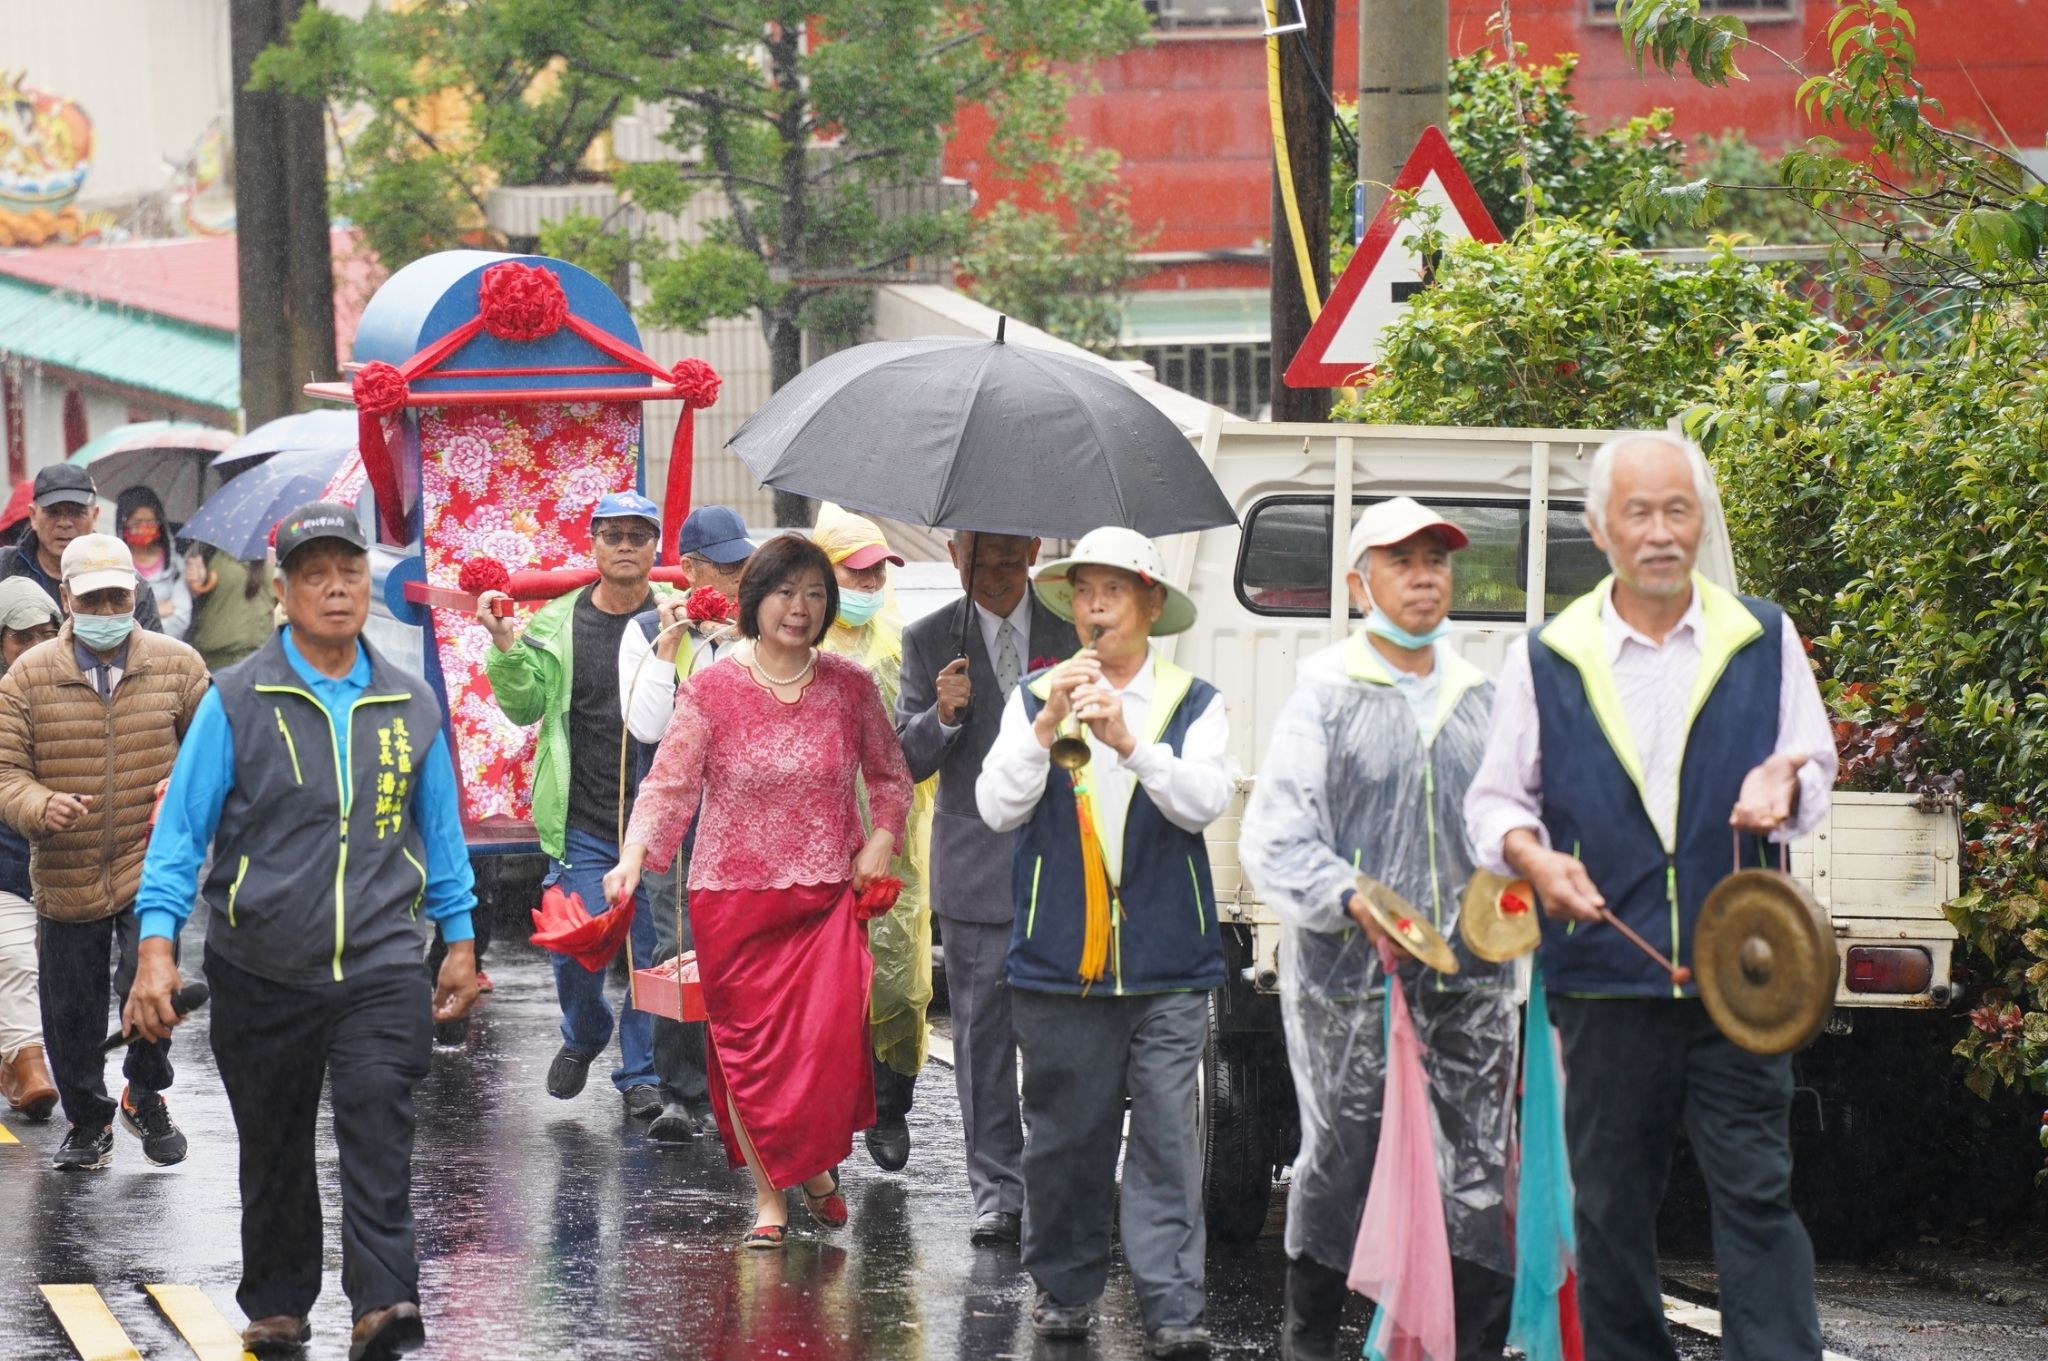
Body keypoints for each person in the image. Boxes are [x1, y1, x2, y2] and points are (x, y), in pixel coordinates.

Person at [1464, 434, 1837, 1361]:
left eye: (1678, 510)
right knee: (1611, 1211)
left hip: (1744, 979)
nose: (1661, 533)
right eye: (1640, 512)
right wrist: (1535, 860)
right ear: (1600, 527)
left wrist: (1784, 778)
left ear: (1700, 519)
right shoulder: (1551, 654)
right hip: (1603, 976)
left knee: (1756, 1194)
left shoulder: (1763, 634)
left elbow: (1815, 761)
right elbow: (1496, 802)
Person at [129, 500, 479, 1361]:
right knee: (276, 1143)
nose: (335, 589)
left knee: (376, 1121)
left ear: (368, 584)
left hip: (381, 963)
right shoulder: (236, 699)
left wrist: (460, 938)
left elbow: (441, 831)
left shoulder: (410, 702)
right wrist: (156, 945)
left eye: (349, 573)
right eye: (315, 575)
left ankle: (384, 1301)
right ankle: (279, 1302)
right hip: (261, 964)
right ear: (281, 591)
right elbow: (181, 833)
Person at [1239, 498, 1514, 1361]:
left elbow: (1514, 823)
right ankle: (1309, 1337)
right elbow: (1275, 835)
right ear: (1362, 583)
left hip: (1470, 974)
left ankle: (1471, 1345)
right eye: (1402, 561)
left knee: (1481, 1161)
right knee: (1343, 1151)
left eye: (1437, 558)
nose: (1425, 574)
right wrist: (1351, 897)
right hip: (1350, 974)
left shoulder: (1483, 696)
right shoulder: (1326, 691)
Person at [603, 533, 911, 1249]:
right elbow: (669, 783)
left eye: (813, 594)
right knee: (748, 1057)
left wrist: (880, 837)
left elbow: (891, 777)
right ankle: (772, 1197)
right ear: (754, 601)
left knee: (825, 1051)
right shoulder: (710, 689)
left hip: (826, 898)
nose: (798, 608)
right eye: (784, 592)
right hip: (733, 899)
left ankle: (816, 1169)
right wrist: (631, 855)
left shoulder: (848, 686)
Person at [975, 526, 1233, 1360]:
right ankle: (1065, 1288)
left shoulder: (1195, 700)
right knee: (1067, 1137)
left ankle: (1172, 1306)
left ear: (1152, 604)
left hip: (1168, 964)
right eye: (1084, 590)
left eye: (1114, 591)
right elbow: (996, 806)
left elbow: (1203, 802)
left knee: (1167, 1138)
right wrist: (1047, 720)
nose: (1095, 607)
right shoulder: (1033, 696)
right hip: (1058, 966)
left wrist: (1132, 743)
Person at [0, 534, 210, 1173]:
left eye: (118, 595)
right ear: (67, 598)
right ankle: (88, 1122)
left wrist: (185, 789)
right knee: (71, 1014)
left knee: (148, 988)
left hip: (150, 865)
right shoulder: (27, 678)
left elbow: (213, 757)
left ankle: (144, 1091)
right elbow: (7, 775)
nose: (106, 608)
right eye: (92, 598)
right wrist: (40, 806)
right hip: (64, 871)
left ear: (136, 594)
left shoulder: (179, 666)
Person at [896, 528, 1076, 1246]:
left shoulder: (1072, 632)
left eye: (1008, 557)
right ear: (952, 553)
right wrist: (941, 714)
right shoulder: (928, 638)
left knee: (1061, 1033)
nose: (994, 573)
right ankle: (997, 1189)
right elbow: (904, 759)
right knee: (981, 1038)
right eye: (978, 558)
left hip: (1065, 865)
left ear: (1033, 552)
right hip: (974, 868)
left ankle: (1059, 1177)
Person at [478, 491, 669, 1119]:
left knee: (652, 952)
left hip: (657, 821)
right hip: (582, 820)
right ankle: (584, 1034)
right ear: (592, 544)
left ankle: (641, 1072)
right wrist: (506, 645)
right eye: (611, 535)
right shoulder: (558, 622)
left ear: (655, 547)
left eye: (637, 536)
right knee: (574, 943)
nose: (624, 546)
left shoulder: (676, 621)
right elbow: (524, 706)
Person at [617, 504, 755, 1142]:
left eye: (742, 568)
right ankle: (680, 1093)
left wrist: (740, 646)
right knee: (676, 949)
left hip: (744, 812)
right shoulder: (647, 628)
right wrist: (672, 642)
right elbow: (644, 726)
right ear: (691, 568)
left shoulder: (758, 631)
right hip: (675, 813)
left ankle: (743, 1085)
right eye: (723, 569)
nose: (734, 582)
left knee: (742, 951)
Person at [811, 504, 934, 1173]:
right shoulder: (794, 647)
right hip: (813, 841)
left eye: (876, 573)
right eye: (854, 574)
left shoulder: (902, 649)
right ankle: (823, 1127)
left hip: (895, 843)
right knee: (823, 992)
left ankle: (891, 1104)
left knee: (899, 985)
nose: (867, 586)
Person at [0, 578, 61, 1122]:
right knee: (17, 959)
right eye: (22, 637)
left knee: (50, 970)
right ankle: (26, 1061)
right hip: (5, 868)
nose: (37, 645)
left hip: (63, 863)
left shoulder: (71, 692)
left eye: (47, 633)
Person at [0, 464, 166, 631]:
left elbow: (151, 651)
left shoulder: (126, 581)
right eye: (53, 512)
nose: (64, 523)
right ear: (33, 516)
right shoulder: (5, 568)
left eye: (76, 512)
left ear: (94, 516)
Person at [116, 486, 192, 640]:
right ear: (123, 525)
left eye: (149, 522)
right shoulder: (114, 564)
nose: (144, 528)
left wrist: (141, 621)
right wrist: (159, 609)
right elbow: (116, 619)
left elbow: (181, 617)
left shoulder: (175, 565)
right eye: (136, 523)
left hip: (169, 650)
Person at [185, 548, 278, 671]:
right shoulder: (208, 548)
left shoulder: (272, 549)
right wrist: (196, 580)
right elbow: (192, 593)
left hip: (263, 654)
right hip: (219, 656)